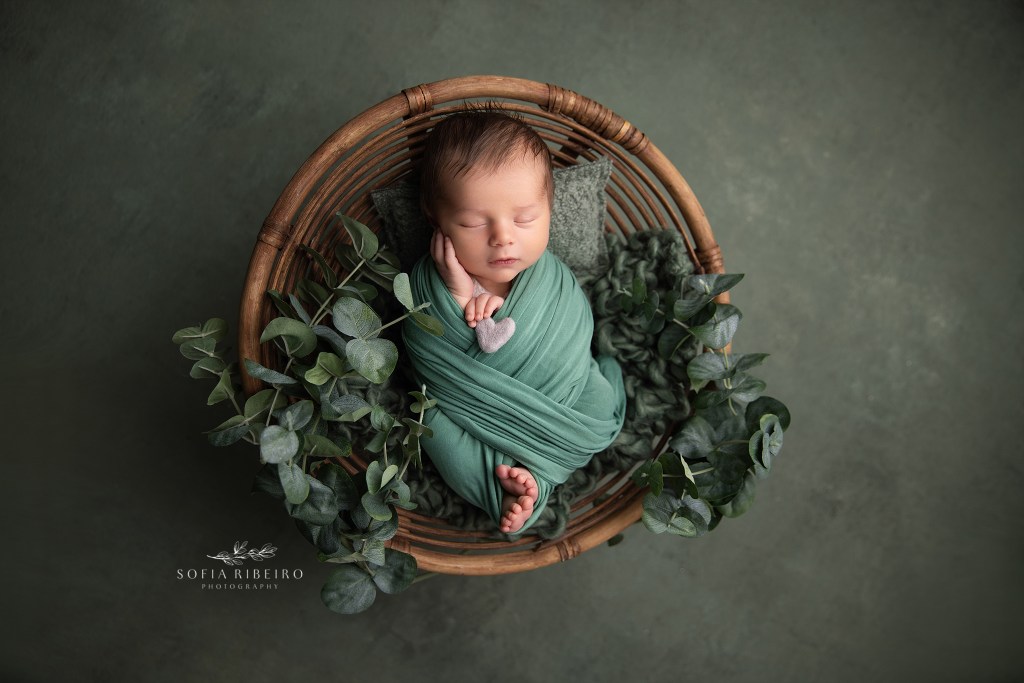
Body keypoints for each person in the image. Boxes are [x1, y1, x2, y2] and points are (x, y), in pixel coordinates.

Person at [401, 107, 626, 534]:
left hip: (563, 394)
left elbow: (575, 330)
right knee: (431, 425)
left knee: (599, 401)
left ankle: (533, 477)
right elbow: (426, 347)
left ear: (550, 206)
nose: (503, 236)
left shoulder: (551, 278)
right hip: (472, 415)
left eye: (525, 218)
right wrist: (457, 294)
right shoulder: (429, 284)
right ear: (436, 218)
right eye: (472, 222)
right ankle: (518, 486)